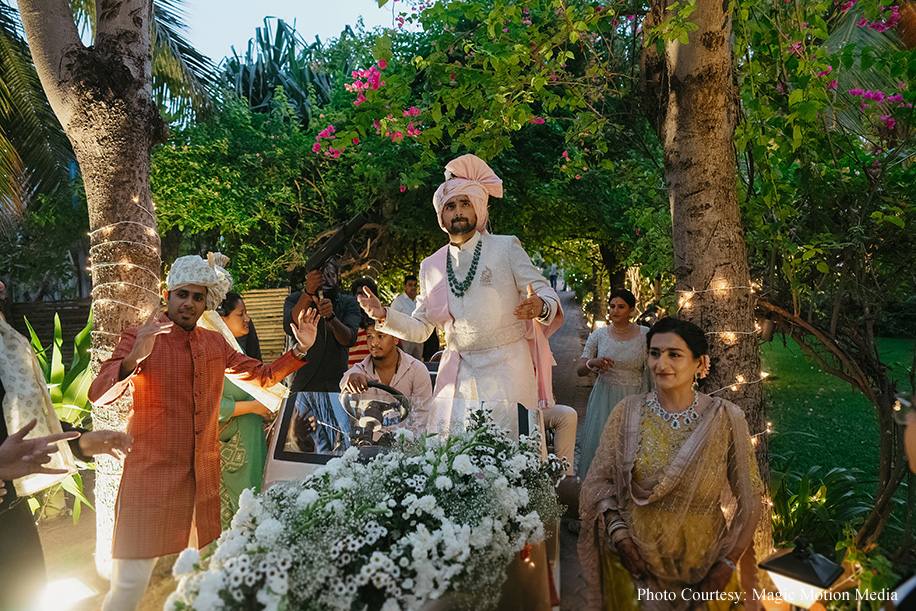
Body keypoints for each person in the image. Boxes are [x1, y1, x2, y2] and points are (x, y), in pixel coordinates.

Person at [88, 254, 319, 611]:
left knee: (202, 580)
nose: (190, 303)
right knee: (129, 586)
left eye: (198, 297)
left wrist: (300, 348)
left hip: (202, 479)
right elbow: (99, 396)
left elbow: (261, 376)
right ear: (168, 294)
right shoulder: (141, 336)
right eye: (183, 294)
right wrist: (134, 357)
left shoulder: (214, 343)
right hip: (151, 477)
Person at [357, 154, 563, 435]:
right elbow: (420, 328)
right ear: (441, 216)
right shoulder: (431, 265)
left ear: (478, 207)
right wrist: (383, 315)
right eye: (450, 206)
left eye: (465, 203)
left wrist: (540, 305)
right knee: (457, 455)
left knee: (510, 451)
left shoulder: (505, 248)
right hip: (459, 371)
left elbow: (543, 289)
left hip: (509, 368)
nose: (458, 212)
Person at [578, 318, 763, 611]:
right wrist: (620, 536)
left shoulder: (726, 418)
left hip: (705, 563)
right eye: (654, 353)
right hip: (636, 562)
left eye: (674, 354)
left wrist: (729, 561)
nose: (661, 364)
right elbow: (600, 484)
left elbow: (751, 498)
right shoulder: (627, 413)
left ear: (700, 363)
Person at [1, 277, 132, 609]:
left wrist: (81, 442)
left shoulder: (5, 340)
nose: (2, 286)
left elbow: (26, 418)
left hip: (10, 517)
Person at [576, 289, 648, 478]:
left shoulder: (645, 335)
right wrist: (594, 363)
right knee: (603, 446)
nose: (615, 311)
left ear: (632, 310)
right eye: (612, 306)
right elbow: (580, 369)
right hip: (604, 398)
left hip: (634, 398)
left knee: (631, 447)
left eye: (621, 307)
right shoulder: (599, 335)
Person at [215, 292, 271, 529]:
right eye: (241, 314)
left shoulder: (237, 353)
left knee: (256, 507)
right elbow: (211, 406)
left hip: (251, 441)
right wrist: (255, 407)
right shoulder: (214, 355)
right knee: (237, 519)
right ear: (222, 319)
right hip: (233, 447)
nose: (247, 318)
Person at [284, 257, 361, 392]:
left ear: (337, 277)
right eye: (320, 276)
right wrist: (308, 293)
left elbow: (349, 339)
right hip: (301, 384)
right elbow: (290, 325)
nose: (325, 280)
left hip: (336, 385)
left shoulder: (349, 302)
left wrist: (331, 318)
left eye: (330, 275)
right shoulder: (295, 299)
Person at [341, 321, 433, 398]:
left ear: (395, 339)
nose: (374, 343)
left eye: (380, 336)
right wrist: (350, 382)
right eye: (370, 336)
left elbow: (422, 413)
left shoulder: (417, 370)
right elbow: (343, 389)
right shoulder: (359, 370)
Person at [390, 275, 425, 360]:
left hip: (418, 339)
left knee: (418, 364)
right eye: (410, 285)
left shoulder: (420, 301)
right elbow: (392, 321)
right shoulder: (398, 302)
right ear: (404, 286)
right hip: (404, 339)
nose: (413, 287)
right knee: (404, 363)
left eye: (415, 285)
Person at [347, 278, 379, 368]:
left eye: (367, 294)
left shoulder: (383, 320)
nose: (363, 298)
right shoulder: (347, 319)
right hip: (351, 373)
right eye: (359, 294)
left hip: (375, 374)